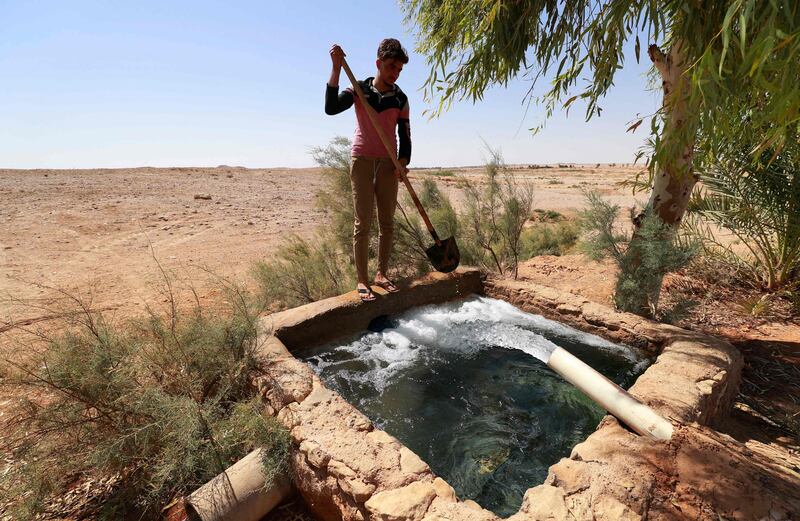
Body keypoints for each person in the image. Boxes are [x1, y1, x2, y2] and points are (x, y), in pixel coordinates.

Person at [325, 39, 411, 302]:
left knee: (387, 224)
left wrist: (403, 163)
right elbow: (331, 108)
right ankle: (362, 280)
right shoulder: (359, 90)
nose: (394, 72)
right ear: (378, 64)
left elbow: (404, 136)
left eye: (398, 69)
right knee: (363, 223)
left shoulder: (400, 98)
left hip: (388, 165)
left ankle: (381, 274)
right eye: (390, 66)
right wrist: (337, 68)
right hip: (361, 161)